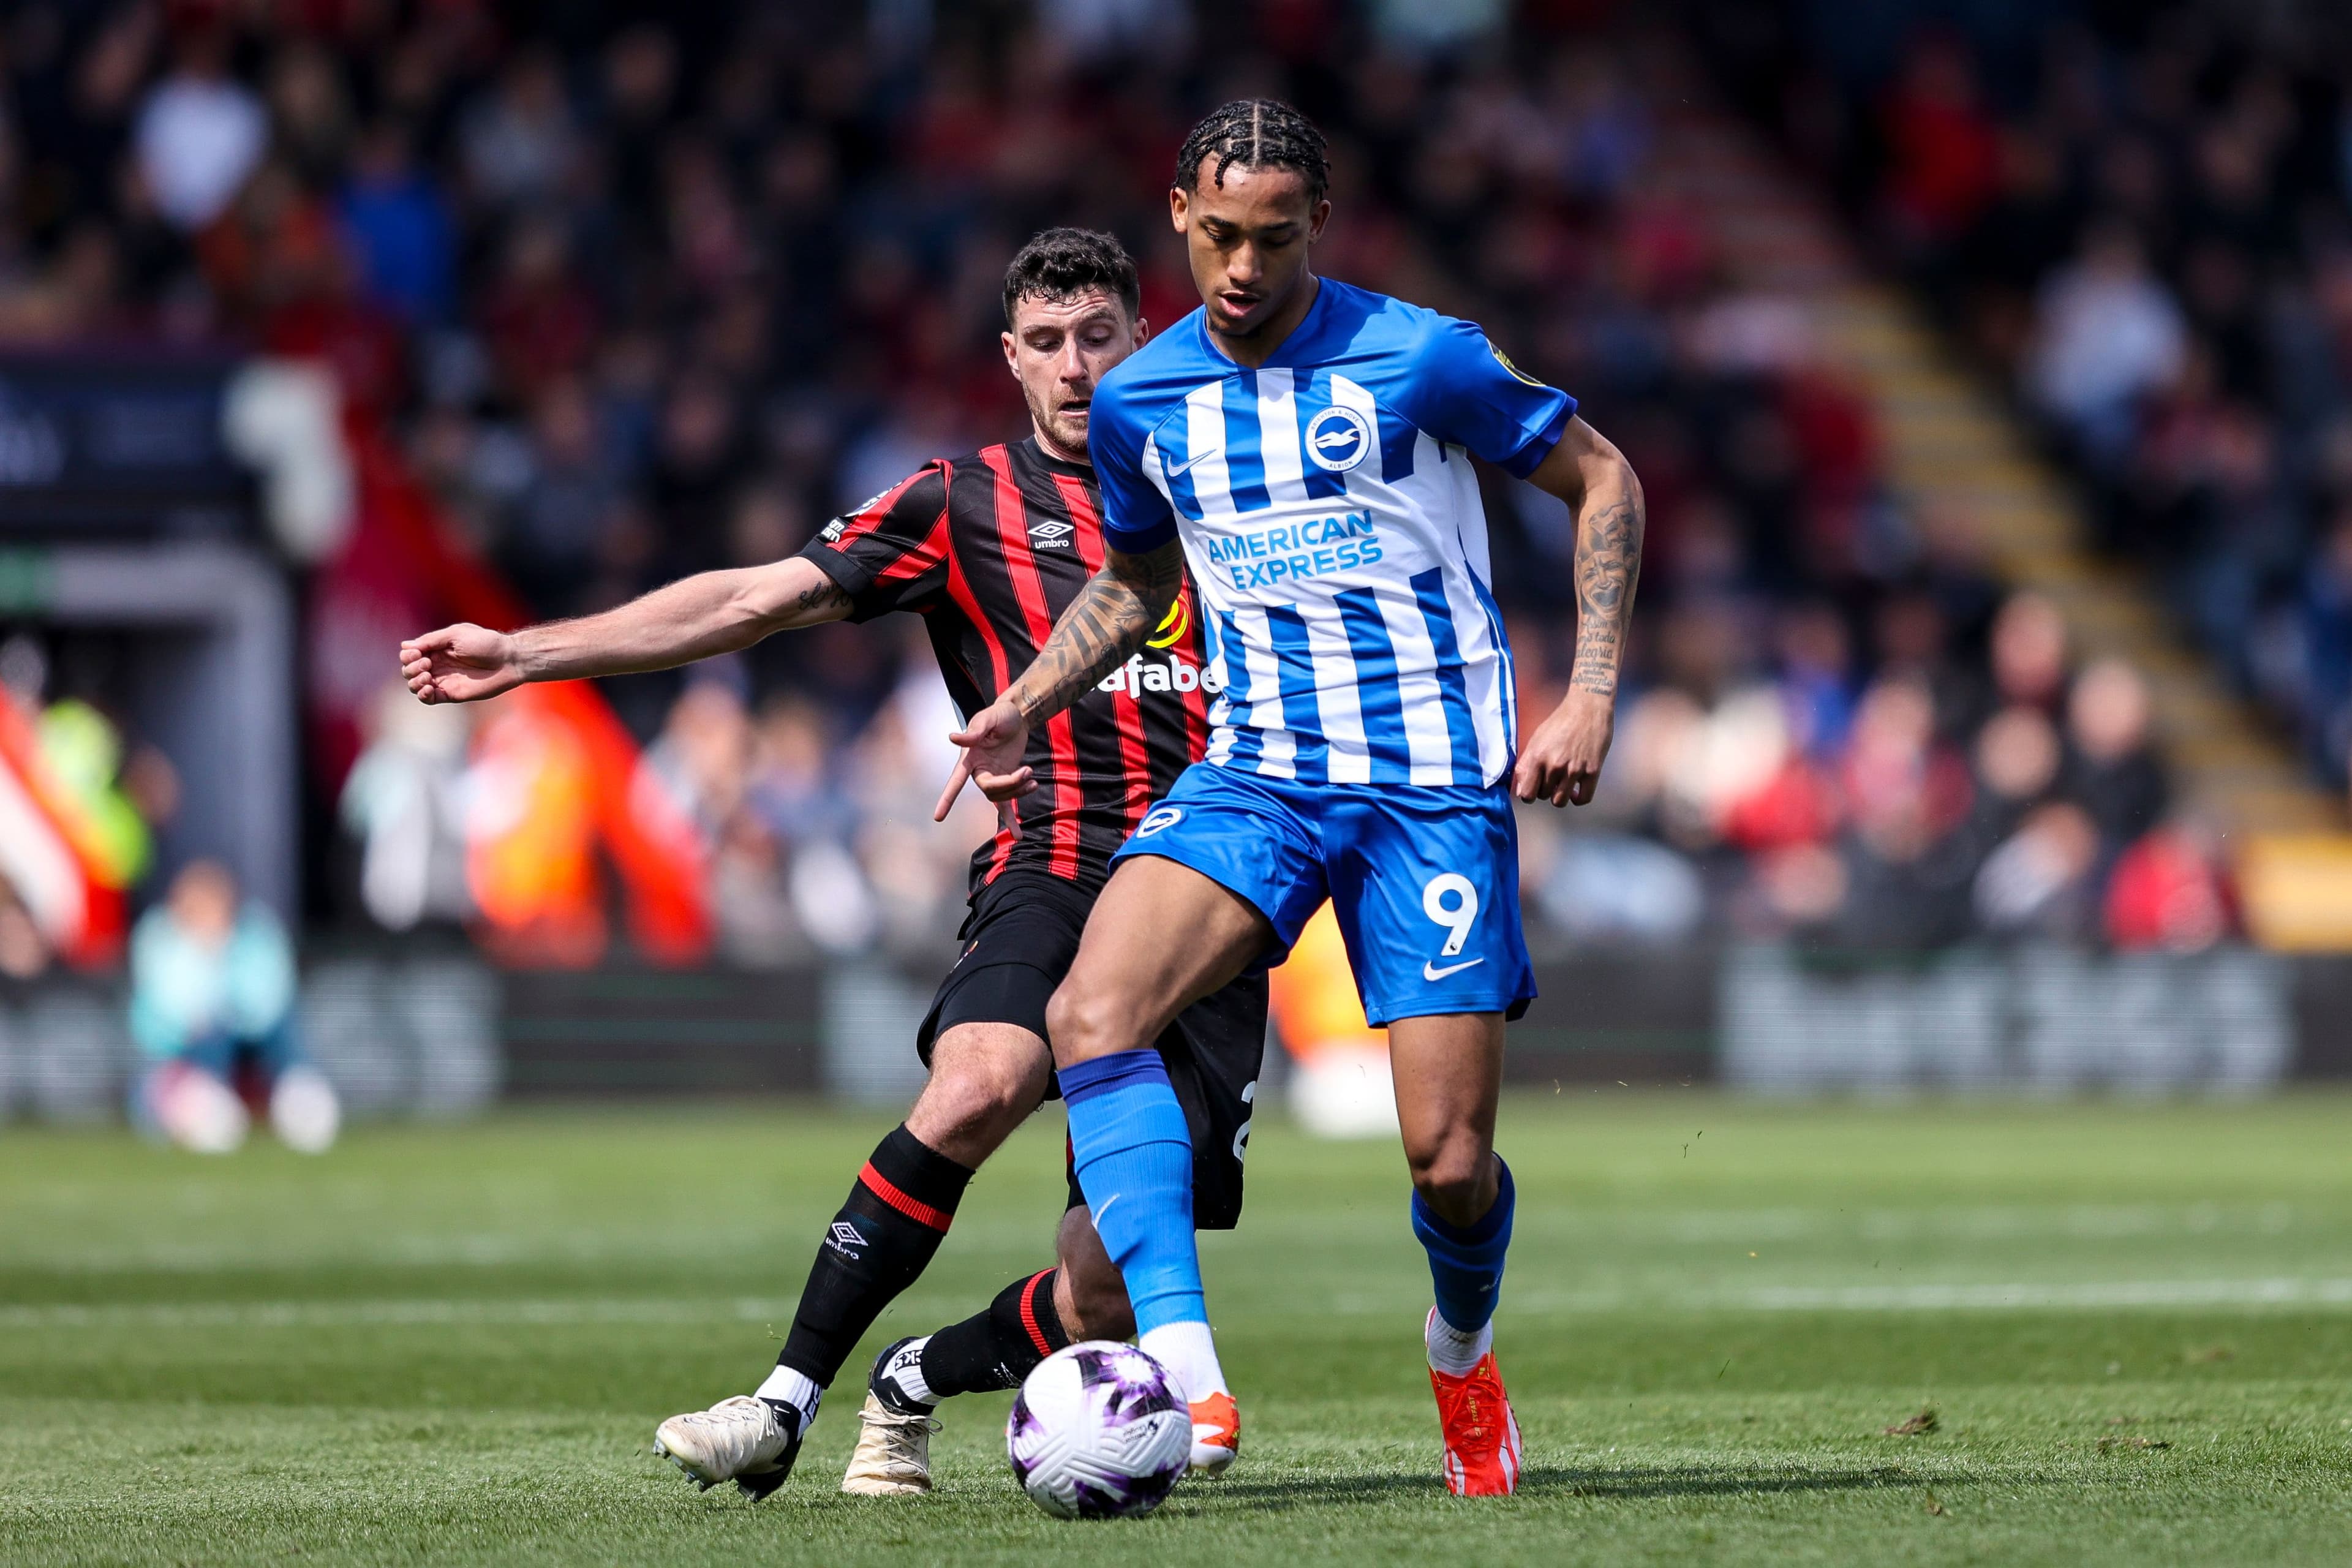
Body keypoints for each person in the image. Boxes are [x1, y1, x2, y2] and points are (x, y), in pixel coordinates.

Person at [398, 229, 1267, 1498]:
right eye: (1047, 344)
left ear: (1142, 338)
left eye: (1099, 338)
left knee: (1098, 1294)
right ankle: (780, 1401)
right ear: (1009, 360)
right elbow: (754, 598)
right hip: (1058, 860)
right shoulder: (956, 502)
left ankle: (911, 1373)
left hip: (1215, 888)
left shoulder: (1237, 484)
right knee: (980, 1079)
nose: (1077, 369)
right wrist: (531, 652)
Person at [941, 102, 1645, 1497]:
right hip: (1257, 768)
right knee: (1090, 1009)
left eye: (1272, 237)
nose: (1242, 268)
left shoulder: (1420, 354)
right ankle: (1188, 1371)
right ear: (1179, 220)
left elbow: (1602, 477)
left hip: (1430, 784)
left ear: (1316, 226)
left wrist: (1593, 692)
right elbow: (1139, 581)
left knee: (1447, 1163)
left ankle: (1461, 1348)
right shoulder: (1147, 397)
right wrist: (1026, 694)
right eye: (1216, 238)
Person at [128, 859, 339, 1155]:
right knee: (210, 1031)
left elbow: (269, 1000)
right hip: (185, 1052)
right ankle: (200, 1098)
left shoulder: (256, 934)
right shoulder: (159, 939)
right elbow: (167, 1015)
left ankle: (299, 1091)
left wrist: (230, 1002)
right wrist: (207, 959)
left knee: (280, 1031)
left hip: (253, 1042)